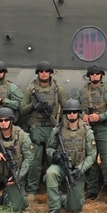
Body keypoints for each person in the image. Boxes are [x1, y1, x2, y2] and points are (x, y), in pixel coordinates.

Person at [19, 60, 68, 203]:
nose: (44, 73)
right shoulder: (31, 89)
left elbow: (66, 107)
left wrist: (62, 125)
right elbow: (22, 109)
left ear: (50, 73)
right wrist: (33, 106)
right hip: (37, 128)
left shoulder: (58, 89)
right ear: (38, 73)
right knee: (35, 161)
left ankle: (55, 188)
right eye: (41, 71)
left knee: (54, 159)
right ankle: (32, 190)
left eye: (47, 71)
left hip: (52, 127)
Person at [74, 63, 107, 202]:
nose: (95, 75)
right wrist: (82, 115)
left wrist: (101, 116)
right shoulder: (82, 91)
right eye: (92, 74)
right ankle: (92, 190)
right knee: (90, 160)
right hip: (88, 130)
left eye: (97, 73)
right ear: (89, 76)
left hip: (104, 128)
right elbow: (73, 106)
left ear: (101, 75)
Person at [43, 99, 96, 213]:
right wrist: (55, 154)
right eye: (69, 112)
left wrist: (79, 170)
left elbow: (92, 155)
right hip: (62, 166)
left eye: (74, 112)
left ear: (78, 113)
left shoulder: (87, 131)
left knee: (75, 208)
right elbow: (49, 148)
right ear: (66, 113)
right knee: (51, 173)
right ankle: (55, 209)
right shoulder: (58, 130)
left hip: (77, 169)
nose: (72, 114)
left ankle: (61, 198)